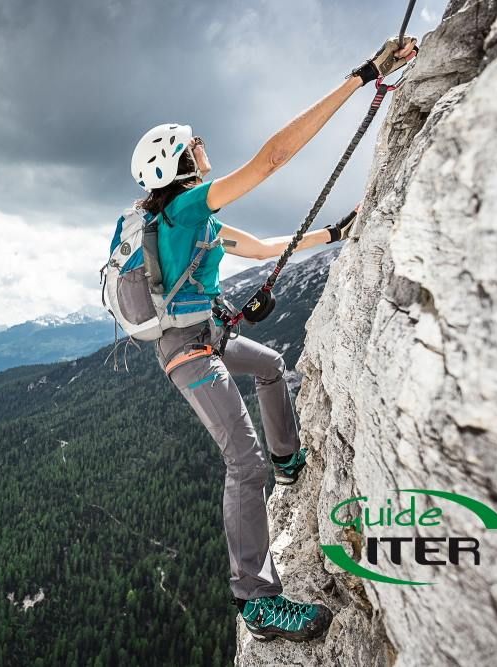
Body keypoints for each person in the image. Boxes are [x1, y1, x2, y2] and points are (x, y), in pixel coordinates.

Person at [124, 36, 418, 642]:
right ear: (181, 162)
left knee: (272, 366)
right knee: (242, 463)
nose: (205, 148)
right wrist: (360, 77)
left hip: (204, 333)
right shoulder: (186, 207)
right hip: (186, 352)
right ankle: (256, 600)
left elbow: (257, 248)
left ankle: (289, 462)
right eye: (195, 144)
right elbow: (273, 160)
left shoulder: (192, 218)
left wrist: (333, 231)